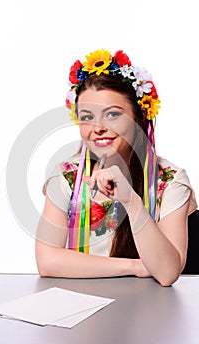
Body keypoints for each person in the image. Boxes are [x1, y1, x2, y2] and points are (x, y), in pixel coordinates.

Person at [35, 48, 197, 286]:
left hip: (148, 312)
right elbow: (47, 262)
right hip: (81, 307)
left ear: (139, 117)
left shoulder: (170, 181)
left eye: (112, 114)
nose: (97, 127)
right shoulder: (67, 176)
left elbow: (166, 273)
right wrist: (135, 266)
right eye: (87, 117)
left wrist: (131, 200)